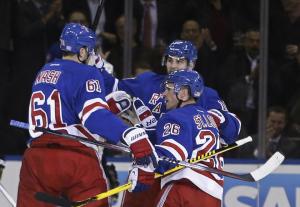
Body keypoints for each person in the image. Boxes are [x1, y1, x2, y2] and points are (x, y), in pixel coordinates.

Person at [17, 23, 158, 207]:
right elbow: (93, 116)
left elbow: (68, 109)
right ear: (82, 52)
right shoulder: (88, 73)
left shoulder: (43, 71)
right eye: (91, 51)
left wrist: (109, 105)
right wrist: (130, 135)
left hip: (35, 159)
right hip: (75, 159)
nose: (93, 55)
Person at [94, 40, 240, 207]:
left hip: (178, 172)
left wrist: (213, 117)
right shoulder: (148, 82)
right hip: (148, 166)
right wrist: (96, 64)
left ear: (191, 63)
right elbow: (112, 87)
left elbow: (232, 130)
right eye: (170, 60)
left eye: (179, 61)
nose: (173, 66)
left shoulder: (205, 94)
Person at [152, 69, 223, 207]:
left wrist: (144, 160)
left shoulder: (175, 117)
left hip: (183, 189)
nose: (164, 94)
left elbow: (171, 155)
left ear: (183, 93)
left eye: (169, 89)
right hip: (213, 197)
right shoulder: (208, 118)